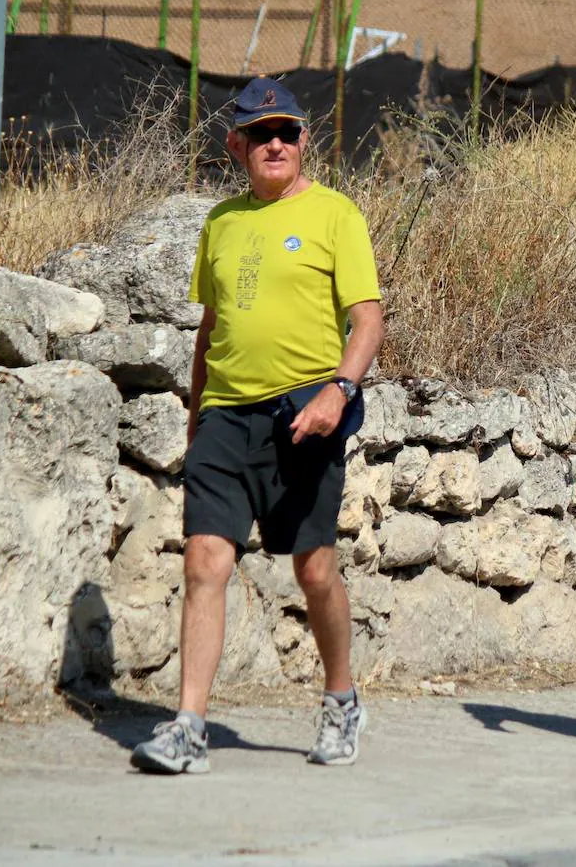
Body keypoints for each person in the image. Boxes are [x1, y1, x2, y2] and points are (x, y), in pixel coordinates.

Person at [131, 77, 385, 774]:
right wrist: (196, 417)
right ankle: (188, 727)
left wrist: (339, 390)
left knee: (315, 567)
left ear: (305, 141)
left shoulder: (337, 214)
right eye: (261, 133)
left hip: (306, 415)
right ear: (235, 144)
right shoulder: (220, 222)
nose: (276, 143)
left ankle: (340, 698)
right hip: (224, 418)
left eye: (289, 132)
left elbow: (368, 320)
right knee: (205, 561)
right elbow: (211, 327)